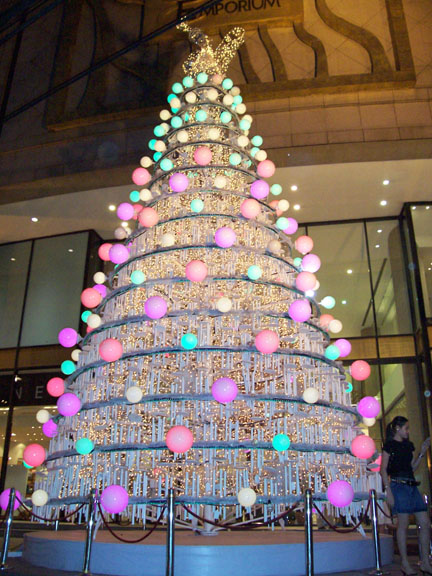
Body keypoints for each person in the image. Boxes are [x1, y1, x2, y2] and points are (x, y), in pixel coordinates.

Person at [380, 416, 431, 576]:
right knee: (403, 524)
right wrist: (388, 490)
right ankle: (404, 563)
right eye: (406, 428)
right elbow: (383, 469)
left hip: (411, 485)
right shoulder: (389, 445)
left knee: (425, 522)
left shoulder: (408, 446)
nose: (408, 431)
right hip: (398, 485)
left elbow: (412, 467)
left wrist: (422, 453)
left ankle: (425, 562)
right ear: (397, 428)